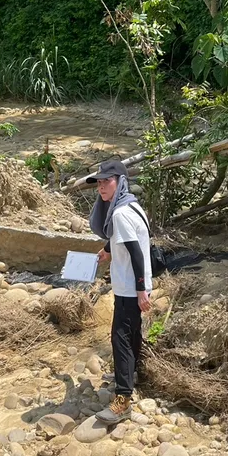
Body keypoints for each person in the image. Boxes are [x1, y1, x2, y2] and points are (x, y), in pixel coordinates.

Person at [87, 159, 152, 423]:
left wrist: (139, 291)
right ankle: (132, 374)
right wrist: (107, 250)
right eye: (99, 182)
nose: (102, 187)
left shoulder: (120, 213)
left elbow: (136, 253)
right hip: (134, 283)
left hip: (128, 287)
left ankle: (123, 400)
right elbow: (127, 241)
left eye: (107, 181)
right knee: (131, 333)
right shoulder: (131, 206)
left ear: (120, 182)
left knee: (120, 339)